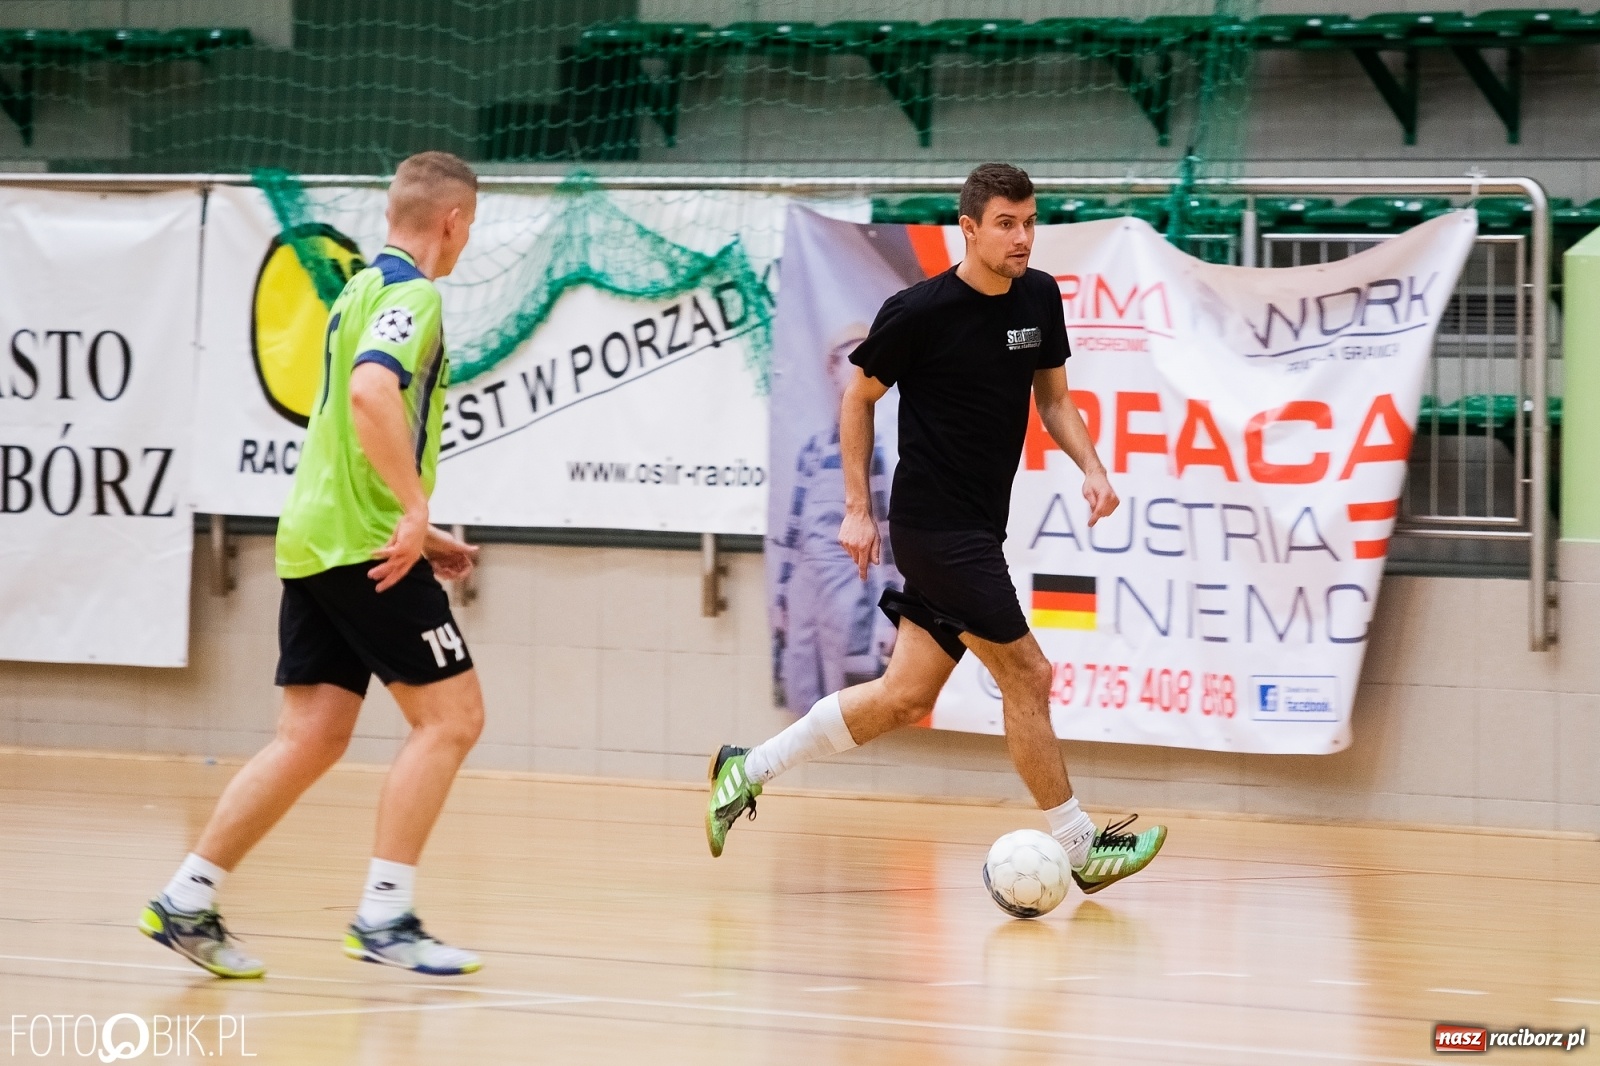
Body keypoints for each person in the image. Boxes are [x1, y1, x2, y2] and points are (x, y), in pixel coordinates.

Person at [708, 163, 1167, 895]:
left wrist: (1093, 467)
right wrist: (858, 509)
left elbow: (1054, 400)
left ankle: (746, 768)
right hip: (934, 528)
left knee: (903, 696)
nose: (1022, 238)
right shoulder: (917, 311)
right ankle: (1080, 848)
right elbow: (857, 402)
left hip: (979, 528)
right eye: (1007, 224)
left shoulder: (1039, 297)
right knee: (1030, 674)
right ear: (971, 227)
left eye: (1030, 222)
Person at [139, 151, 486, 978]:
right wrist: (413, 513)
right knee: (452, 720)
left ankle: (186, 899)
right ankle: (385, 917)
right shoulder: (413, 296)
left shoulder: (356, 293)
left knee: (311, 735)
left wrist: (416, 524)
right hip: (366, 548)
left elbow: (347, 424)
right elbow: (370, 395)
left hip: (313, 538)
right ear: (455, 222)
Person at [773, 323, 898, 713]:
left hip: (847, 585)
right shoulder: (813, 450)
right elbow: (793, 533)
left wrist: (891, 615)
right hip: (805, 584)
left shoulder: (876, 451)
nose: (861, 367)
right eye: (852, 357)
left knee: (839, 688)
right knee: (797, 675)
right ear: (831, 368)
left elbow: (888, 539)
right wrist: (781, 596)